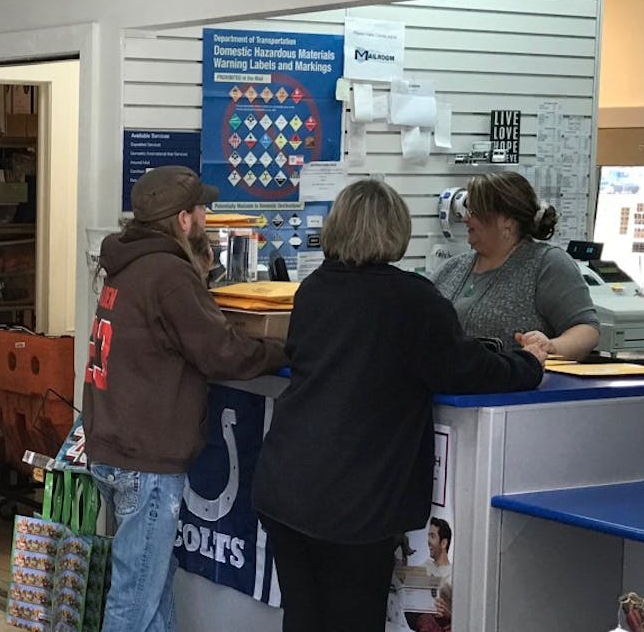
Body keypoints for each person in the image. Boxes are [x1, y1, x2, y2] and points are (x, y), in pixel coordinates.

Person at [252, 179, 546, 632]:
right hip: (354, 500)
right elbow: (466, 371)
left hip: (285, 484)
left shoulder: (314, 289)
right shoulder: (413, 300)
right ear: (396, 230)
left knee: (304, 618)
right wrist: (528, 364)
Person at [83, 165, 288, 632]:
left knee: (152, 598)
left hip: (114, 446)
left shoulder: (127, 265)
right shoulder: (168, 274)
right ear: (182, 219)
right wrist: (284, 351)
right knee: (134, 604)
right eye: (201, 210)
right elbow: (221, 352)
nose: (207, 217)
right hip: (147, 460)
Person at [432, 171, 599, 361]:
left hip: (518, 379)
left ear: (507, 222)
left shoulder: (546, 264)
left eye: (474, 212)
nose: (465, 219)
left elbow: (586, 330)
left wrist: (550, 347)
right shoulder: (452, 268)